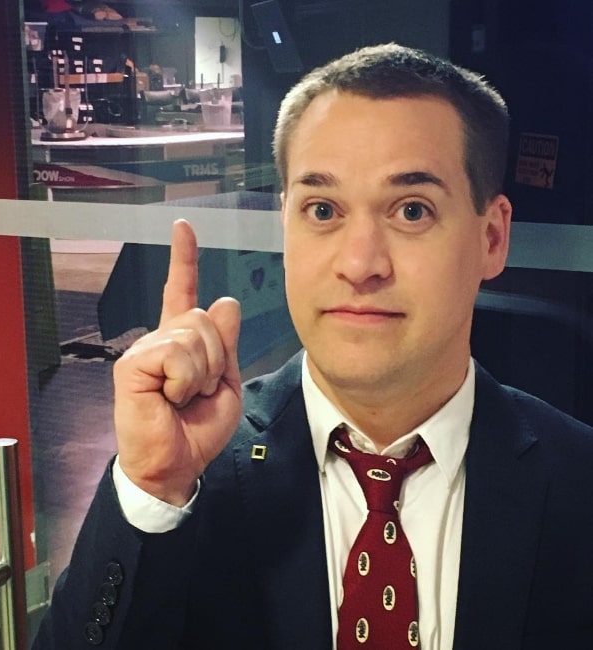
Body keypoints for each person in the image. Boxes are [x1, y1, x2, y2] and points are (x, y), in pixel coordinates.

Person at [32, 43, 593, 650]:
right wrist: (150, 491)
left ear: (491, 237)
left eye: (411, 210)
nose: (359, 264)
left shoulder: (578, 484)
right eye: (322, 209)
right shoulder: (191, 477)